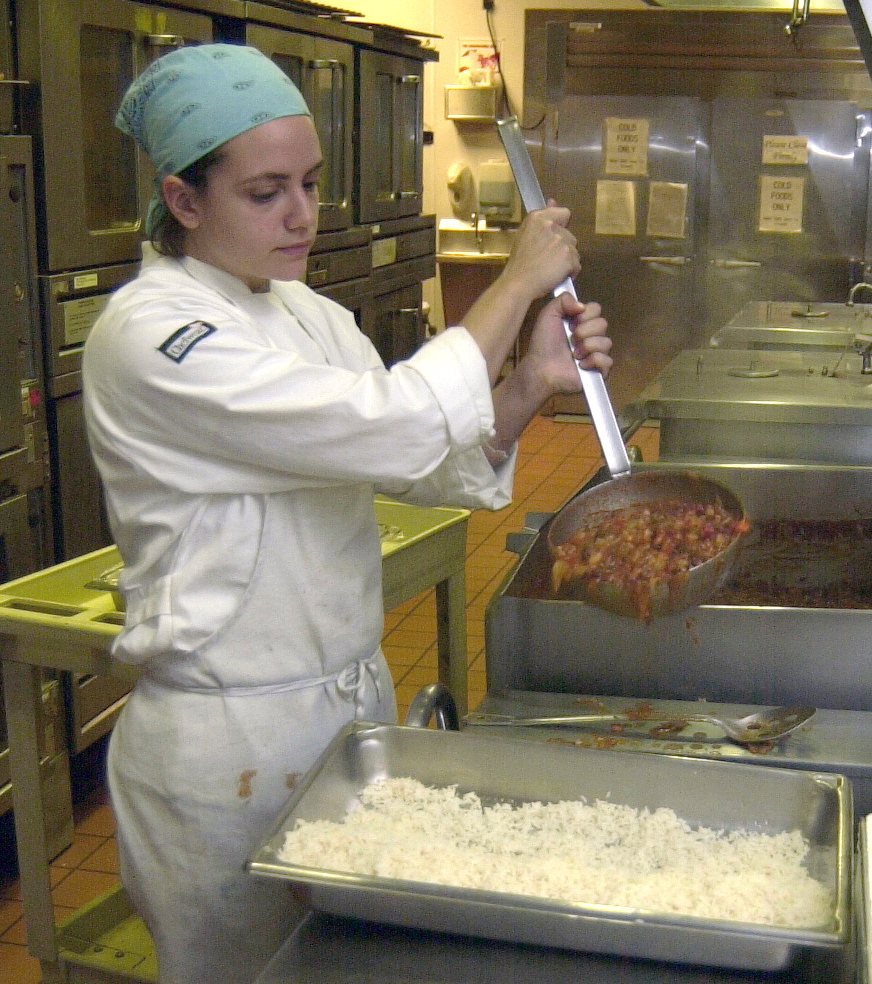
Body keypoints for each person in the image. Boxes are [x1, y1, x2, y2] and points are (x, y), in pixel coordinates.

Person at [81, 43, 612, 984]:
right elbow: (399, 417)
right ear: (183, 199)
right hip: (224, 751)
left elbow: (420, 462)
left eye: (312, 184)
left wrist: (530, 381)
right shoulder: (152, 333)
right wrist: (516, 279)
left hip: (342, 718)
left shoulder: (303, 312)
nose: (302, 215)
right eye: (266, 191)